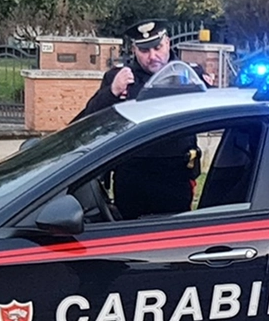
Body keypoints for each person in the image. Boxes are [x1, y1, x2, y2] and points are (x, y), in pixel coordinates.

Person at [73, 20, 206, 220]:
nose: (153, 56)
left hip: (174, 175)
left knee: (174, 240)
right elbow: (88, 122)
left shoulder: (190, 75)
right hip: (132, 174)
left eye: (157, 47)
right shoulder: (118, 77)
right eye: (144, 50)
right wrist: (112, 92)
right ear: (134, 49)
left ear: (168, 43)